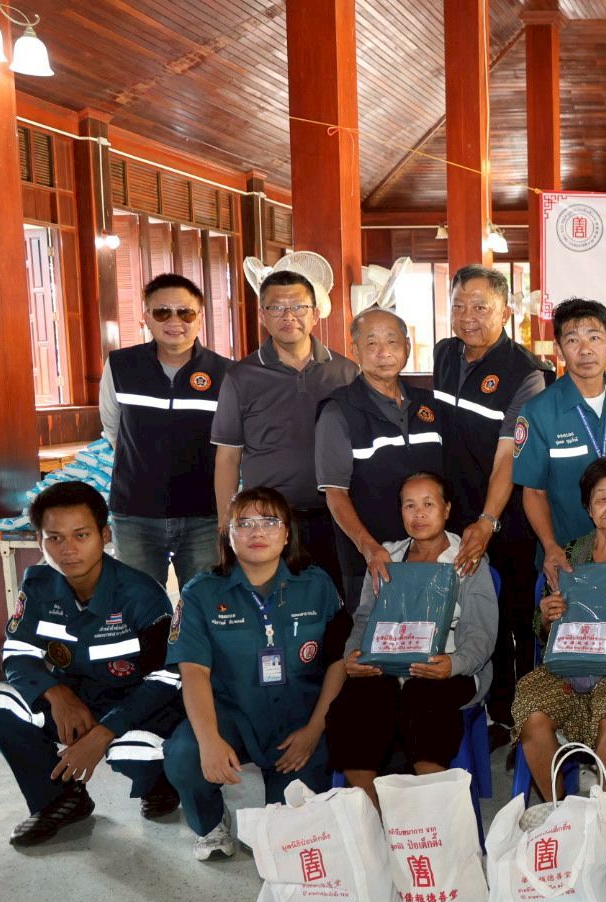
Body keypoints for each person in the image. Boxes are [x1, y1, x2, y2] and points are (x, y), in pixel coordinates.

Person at [0, 482, 183, 846]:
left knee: (136, 750)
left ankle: (159, 783)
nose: (68, 549)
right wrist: (55, 694)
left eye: (81, 535)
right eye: (54, 538)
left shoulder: (142, 594)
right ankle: (59, 799)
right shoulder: (38, 586)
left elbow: (166, 680)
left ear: (105, 535)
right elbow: (17, 652)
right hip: (74, 700)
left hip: (136, 705)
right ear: (38, 540)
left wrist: (105, 732)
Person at [162, 487, 351, 860]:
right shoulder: (201, 592)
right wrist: (209, 741)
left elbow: (338, 661)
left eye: (269, 521)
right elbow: (194, 671)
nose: (257, 532)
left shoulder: (317, 585)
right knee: (185, 754)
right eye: (244, 523)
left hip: (300, 719)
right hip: (232, 715)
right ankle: (211, 823)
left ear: (287, 534)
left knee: (286, 841)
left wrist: (315, 731)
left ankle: (279, 807)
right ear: (228, 535)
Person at [326, 472, 498, 807]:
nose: (419, 513)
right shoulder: (386, 557)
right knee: (353, 704)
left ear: (446, 509)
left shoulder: (468, 558)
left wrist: (453, 665)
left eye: (428, 504)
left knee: (423, 701)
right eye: (409, 505)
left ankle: (429, 815)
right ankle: (376, 812)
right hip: (387, 665)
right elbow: (364, 619)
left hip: (449, 667)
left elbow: (481, 632)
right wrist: (353, 655)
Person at [430, 265, 550, 740]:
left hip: (508, 520)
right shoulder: (444, 353)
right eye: (459, 305)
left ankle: (525, 720)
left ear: (505, 311)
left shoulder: (527, 373)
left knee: (516, 619)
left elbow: (508, 457)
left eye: (481, 307)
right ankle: (493, 710)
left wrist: (487, 520)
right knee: (474, 616)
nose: (468, 316)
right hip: (454, 515)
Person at [513, 458, 606, 795]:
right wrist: (547, 615)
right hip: (568, 667)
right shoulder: (568, 555)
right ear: (588, 506)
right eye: (602, 499)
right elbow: (543, 623)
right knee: (531, 705)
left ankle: (604, 814)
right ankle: (558, 809)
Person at [211, 268, 358, 592]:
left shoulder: (345, 372)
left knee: (337, 603)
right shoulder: (241, 376)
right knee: (274, 604)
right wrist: (226, 524)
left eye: (298, 307)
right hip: (269, 520)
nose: (288, 316)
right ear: (263, 315)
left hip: (337, 516)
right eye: (277, 307)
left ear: (315, 314)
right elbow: (228, 457)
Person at [514, 298, 606, 586]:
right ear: (559, 350)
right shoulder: (538, 412)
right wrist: (551, 547)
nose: (585, 350)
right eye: (573, 340)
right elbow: (533, 492)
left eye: (594, 338)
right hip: (567, 558)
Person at [100, 272, 233, 588]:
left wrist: (225, 515)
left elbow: (230, 446)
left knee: (205, 601)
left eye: (185, 313)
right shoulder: (121, 366)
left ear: (200, 317)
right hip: (135, 515)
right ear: (146, 316)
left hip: (203, 516)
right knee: (140, 604)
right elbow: (113, 429)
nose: (175, 321)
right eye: (162, 312)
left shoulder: (225, 372)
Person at [315, 308, 446, 610]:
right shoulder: (338, 410)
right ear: (356, 350)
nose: (383, 352)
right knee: (374, 635)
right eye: (372, 343)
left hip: (431, 557)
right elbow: (335, 493)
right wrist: (369, 547)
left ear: (407, 347)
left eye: (392, 341)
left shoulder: (429, 404)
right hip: (373, 561)